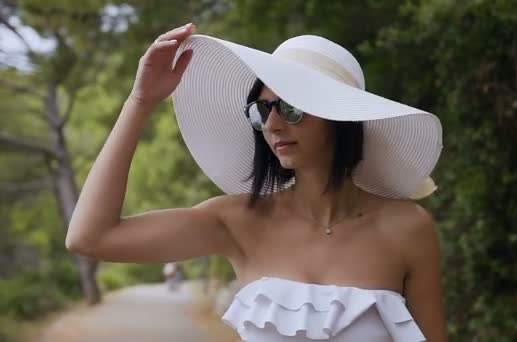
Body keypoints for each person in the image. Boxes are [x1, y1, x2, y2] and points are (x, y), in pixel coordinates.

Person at [66, 22, 447, 341]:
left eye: (291, 108)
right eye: (262, 109)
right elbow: (89, 237)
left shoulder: (407, 229)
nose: (273, 124)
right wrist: (140, 101)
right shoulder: (238, 221)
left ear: (341, 118)